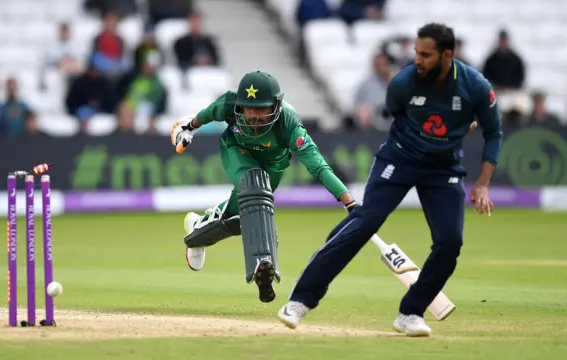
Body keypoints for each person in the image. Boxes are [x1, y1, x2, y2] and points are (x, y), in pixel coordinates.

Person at [278, 23, 503, 337]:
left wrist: (482, 184)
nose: (418, 60)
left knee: (450, 242)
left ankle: (410, 312)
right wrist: (446, 131)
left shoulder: (475, 86)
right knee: (366, 223)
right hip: (399, 159)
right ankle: (301, 301)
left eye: (426, 54)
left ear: (447, 55)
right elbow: (397, 114)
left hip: (443, 169)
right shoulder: (404, 82)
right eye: (416, 52)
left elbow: (494, 133)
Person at [170, 70, 356, 303]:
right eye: (249, 109)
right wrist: (187, 128)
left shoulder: (289, 123)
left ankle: (197, 232)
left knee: (238, 214)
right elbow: (201, 118)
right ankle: (262, 264)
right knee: (253, 184)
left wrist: (350, 202)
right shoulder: (229, 103)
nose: (255, 116)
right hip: (236, 149)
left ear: (276, 105)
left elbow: (318, 167)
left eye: (262, 109)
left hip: (273, 166)